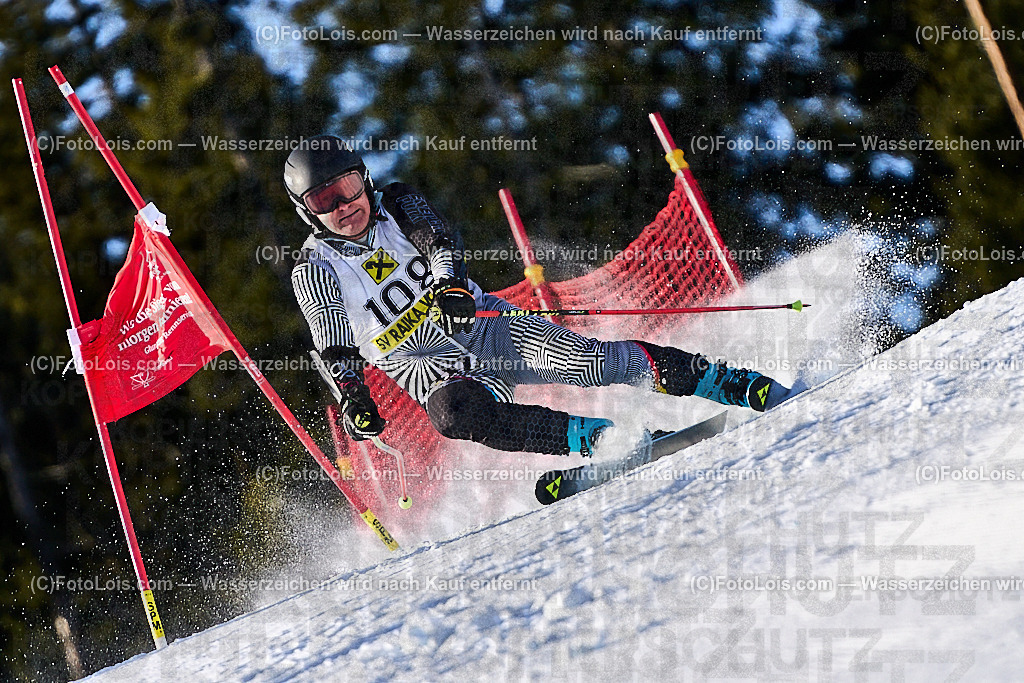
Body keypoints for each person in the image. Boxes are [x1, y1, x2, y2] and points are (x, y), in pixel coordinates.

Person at [285, 134, 793, 457]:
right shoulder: (314, 267)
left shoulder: (395, 201)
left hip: (482, 325)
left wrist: (450, 285)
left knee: (594, 363)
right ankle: (600, 441)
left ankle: (730, 383)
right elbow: (334, 345)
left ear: (364, 179)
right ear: (306, 211)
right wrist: (354, 397)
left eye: (348, 187)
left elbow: (438, 240)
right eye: (324, 200)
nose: (344, 206)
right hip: (423, 364)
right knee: (456, 417)